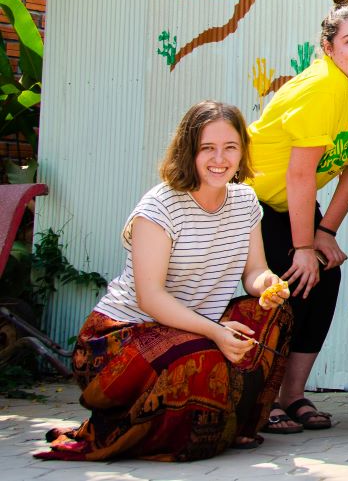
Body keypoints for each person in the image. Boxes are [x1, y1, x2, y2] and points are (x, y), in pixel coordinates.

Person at [38, 102, 291, 462]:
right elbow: (151, 298)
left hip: (192, 331)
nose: (220, 159)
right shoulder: (159, 207)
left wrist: (268, 284)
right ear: (188, 150)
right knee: (201, 354)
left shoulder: (245, 201)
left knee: (274, 318)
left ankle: (234, 425)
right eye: (207, 148)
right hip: (120, 339)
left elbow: (254, 271)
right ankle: (151, 432)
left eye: (230, 147)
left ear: (242, 151)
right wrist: (216, 331)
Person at [247, 0, 348, 433]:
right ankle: (261, 398)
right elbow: (299, 174)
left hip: (293, 200)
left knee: (324, 275)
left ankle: (292, 395)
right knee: (288, 281)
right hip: (250, 199)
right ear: (328, 49)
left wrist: (325, 232)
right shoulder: (321, 87)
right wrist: (303, 247)